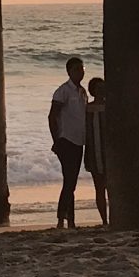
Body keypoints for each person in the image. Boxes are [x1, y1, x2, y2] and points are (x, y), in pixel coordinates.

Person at [49, 57, 91, 228]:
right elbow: (52, 116)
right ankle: (62, 217)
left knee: (71, 180)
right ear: (69, 71)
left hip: (79, 140)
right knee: (69, 179)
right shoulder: (63, 91)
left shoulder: (82, 92)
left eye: (82, 69)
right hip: (66, 139)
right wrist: (56, 139)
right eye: (76, 69)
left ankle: (70, 219)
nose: (80, 72)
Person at [84, 76, 112, 227]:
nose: (102, 92)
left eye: (103, 89)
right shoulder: (87, 108)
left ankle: (112, 218)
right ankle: (104, 220)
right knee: (99, 187)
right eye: (99, 89)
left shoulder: (110, 107)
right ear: (93, 91)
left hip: (108, 151)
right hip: (94, 151)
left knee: (110, 187)